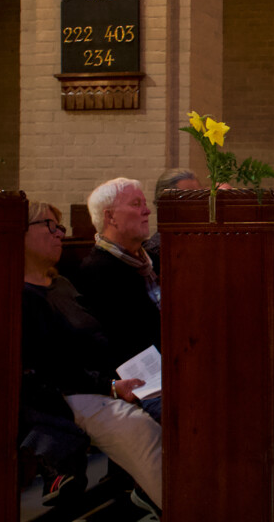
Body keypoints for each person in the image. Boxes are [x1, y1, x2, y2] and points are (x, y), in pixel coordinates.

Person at [23, 201, 162, 509]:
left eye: (60, 227)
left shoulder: (61, 283)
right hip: (66, 395)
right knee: (144, 432)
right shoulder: (19, 295)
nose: (59, 234)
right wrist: (111, 386)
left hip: (104, 381)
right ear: (19, 233)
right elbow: (52, 368)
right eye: (50, 226)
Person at [74, 177, 162, 423]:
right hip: (140, 386)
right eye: (136, 204)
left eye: (144, 203)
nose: (147, 210)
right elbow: (123, 343)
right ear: (110, 217)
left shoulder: (149, 261)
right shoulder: (97, 271)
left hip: (166, 372)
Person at [143, 168, 203, 273]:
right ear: (166, 204)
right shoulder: (156, 250)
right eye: (190, 198)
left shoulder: (203, 240)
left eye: (200, 197)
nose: (199, 205)